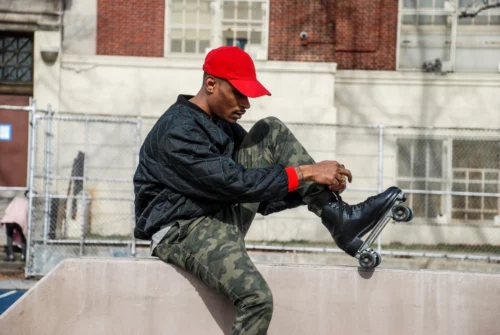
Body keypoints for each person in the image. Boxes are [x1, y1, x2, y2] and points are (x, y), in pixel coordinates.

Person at [133, 46, 404, 334]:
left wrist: (312, 185)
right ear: (211, 84)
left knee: (269, 131)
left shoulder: (222, 126)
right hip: (182, 230)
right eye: (238, 93)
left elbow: (260, 194)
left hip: (218, 214)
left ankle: (338, 217)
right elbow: (236, 183)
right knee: (256, 300)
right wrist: (308, 172)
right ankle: (340, 220)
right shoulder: (178, 130)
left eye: (247, 95)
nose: (246, 103)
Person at [1, 191, 29, 262]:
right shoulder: (28, 202)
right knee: (23, 236)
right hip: (20, 220)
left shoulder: (16, 199)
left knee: (9, 235)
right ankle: (23, 256)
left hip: (10, 218)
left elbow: (8, 209)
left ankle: (11, 255)